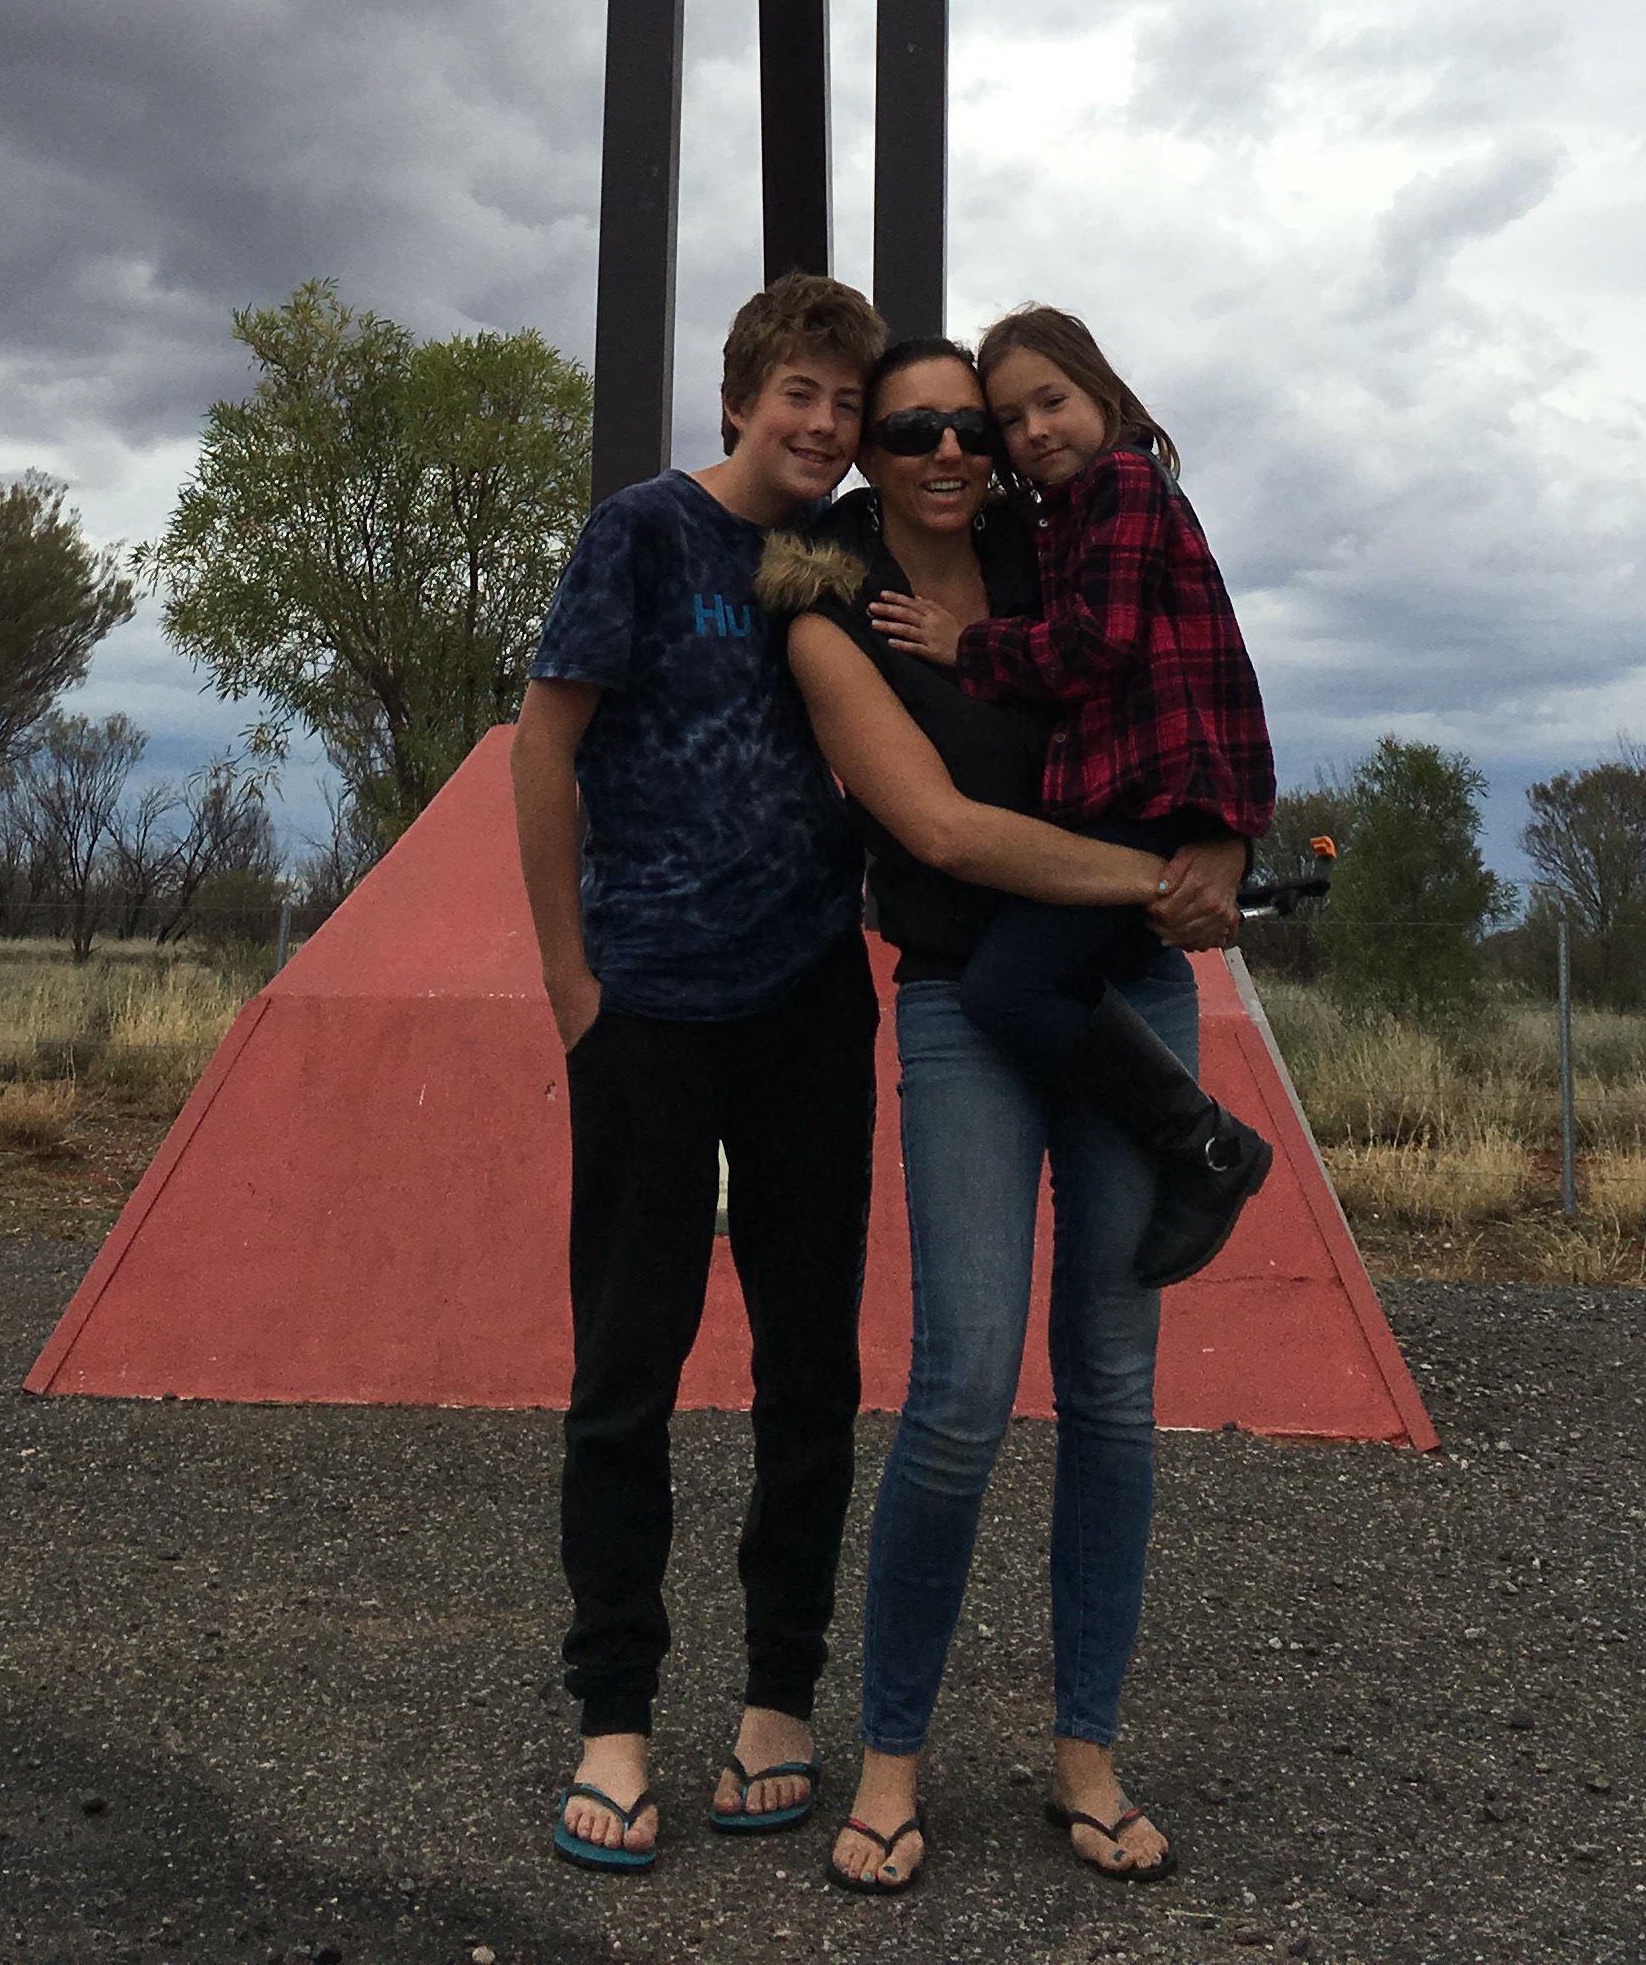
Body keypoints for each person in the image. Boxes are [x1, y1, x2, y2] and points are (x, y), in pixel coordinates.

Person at [769, 336, 1250, 1898]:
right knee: (964, 1386)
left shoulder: (1068, 544)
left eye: (971, 425)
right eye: (912, 427)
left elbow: (1190, 671)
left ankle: (1087, 1755)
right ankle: (892, 1759)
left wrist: (1226, 845)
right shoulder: (833, 609)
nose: (951, 450)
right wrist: (1168, 879)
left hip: (1131, 988)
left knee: (1110, 1386)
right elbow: (942, 830)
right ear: (869, 450)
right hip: (966, 1001)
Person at [509, 270, 887, 1876]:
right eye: (798, 394)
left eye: (847, 405)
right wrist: (571, 985)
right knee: (627, 1368)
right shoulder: (645, 536)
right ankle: (614, 1721)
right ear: (737, 401)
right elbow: (546, 745)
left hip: (809, 1002)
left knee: (809, 1369)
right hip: (650, 1005)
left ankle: (779, 1702)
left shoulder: (841, 555)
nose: (823, 424)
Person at [868, 303, 1276, 1296]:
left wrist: (966, 644)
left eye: (1050, 403)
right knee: (1026, 983)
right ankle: (1193, 1139)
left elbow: (1100, 642)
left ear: (1102, 391)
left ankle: (1207, 1144)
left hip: (1151, 791)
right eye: (1012, 419)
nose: (1033, 432)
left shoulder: (1125, 484)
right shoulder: (1058, 516)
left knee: (1005, 989)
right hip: (1135, 796)